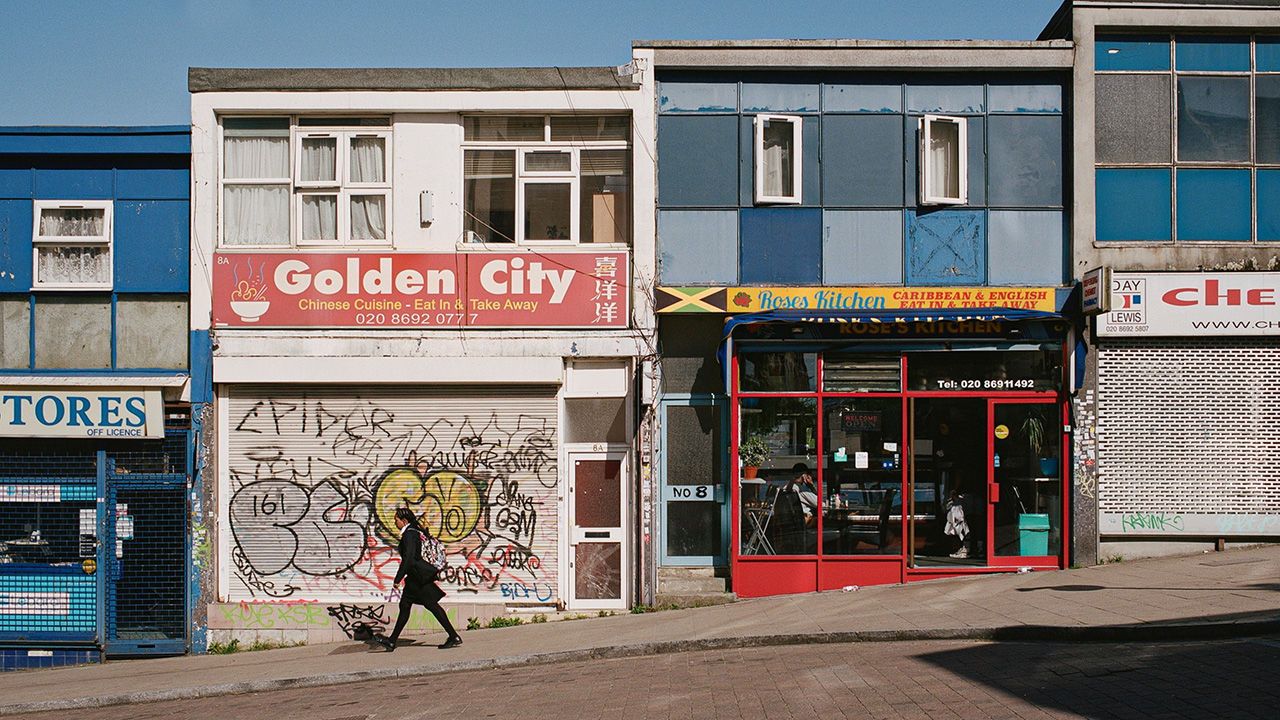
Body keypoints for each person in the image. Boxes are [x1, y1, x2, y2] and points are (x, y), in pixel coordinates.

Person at [375, 507, 462, 651]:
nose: (394, 523)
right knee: (407, 606)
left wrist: (398, 578)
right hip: (417, 576)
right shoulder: (414, 532)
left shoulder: (409, 534)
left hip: (417, 577)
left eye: (396, 520)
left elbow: (409, 558)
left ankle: (453, 636)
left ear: (404, 521)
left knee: (428, 606)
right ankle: (392, 641)